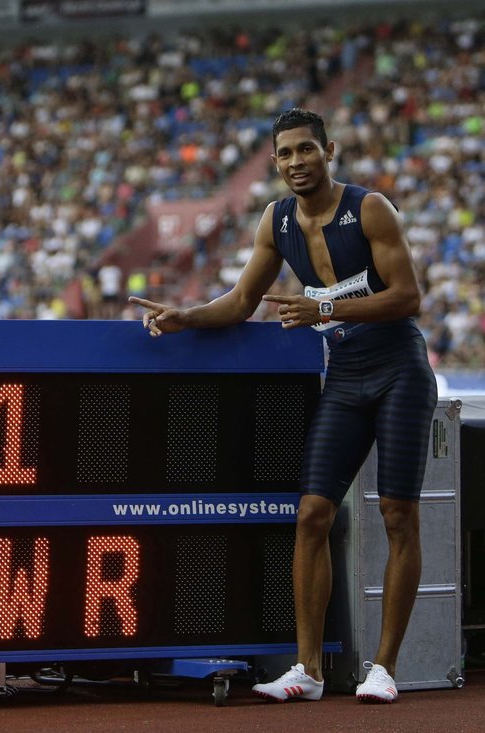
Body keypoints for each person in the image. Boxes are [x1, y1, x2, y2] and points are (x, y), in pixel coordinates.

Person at [129, 108, 437, 704]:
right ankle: (308, 671)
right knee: (311, 515)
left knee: (399, 516)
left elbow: (408, 297)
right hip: (346, 375)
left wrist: (325, 310)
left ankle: (384, 668)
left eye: (306, 150)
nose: (297, 162)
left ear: (329, 151)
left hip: (400, 370)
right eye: (286, 154)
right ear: (275, 162)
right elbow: (244, 299)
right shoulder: (276, 221)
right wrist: (185, 316)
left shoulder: (369, 208)